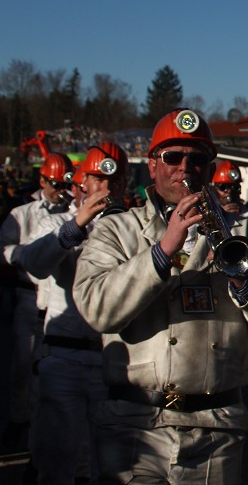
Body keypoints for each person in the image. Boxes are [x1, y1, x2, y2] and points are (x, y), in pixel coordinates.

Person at [72, 109, 248, 484]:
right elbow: (96, 310)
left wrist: (242, 283)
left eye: (197, 159)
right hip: (133, 422)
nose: (185, 168)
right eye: (173, 157)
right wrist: (163, 251)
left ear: (210, 168)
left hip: (217, 427)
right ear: (152, 165)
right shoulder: (117, 230)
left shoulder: (247, 231)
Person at [14, 142, 129, 483]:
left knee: (108, 464)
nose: (106, 190)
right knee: (55, 459)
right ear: (82, 183)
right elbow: (33, 263)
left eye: (115, 182)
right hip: (65, 356)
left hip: (113, 359)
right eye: (98, 181)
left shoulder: (132, 227)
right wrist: (77, 225)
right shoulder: (62, 222)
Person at [0, 152, 74, 450]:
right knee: (22, 364)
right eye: (54, 183)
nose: (59, 189)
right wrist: (26, 255)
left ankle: (44, 434)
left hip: (59, 300)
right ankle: (19, 419)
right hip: (29, 296)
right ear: (42, 180)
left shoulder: (75, 213)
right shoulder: (22, 214)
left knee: (50, 370)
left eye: (63, 183)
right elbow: (3, 249)